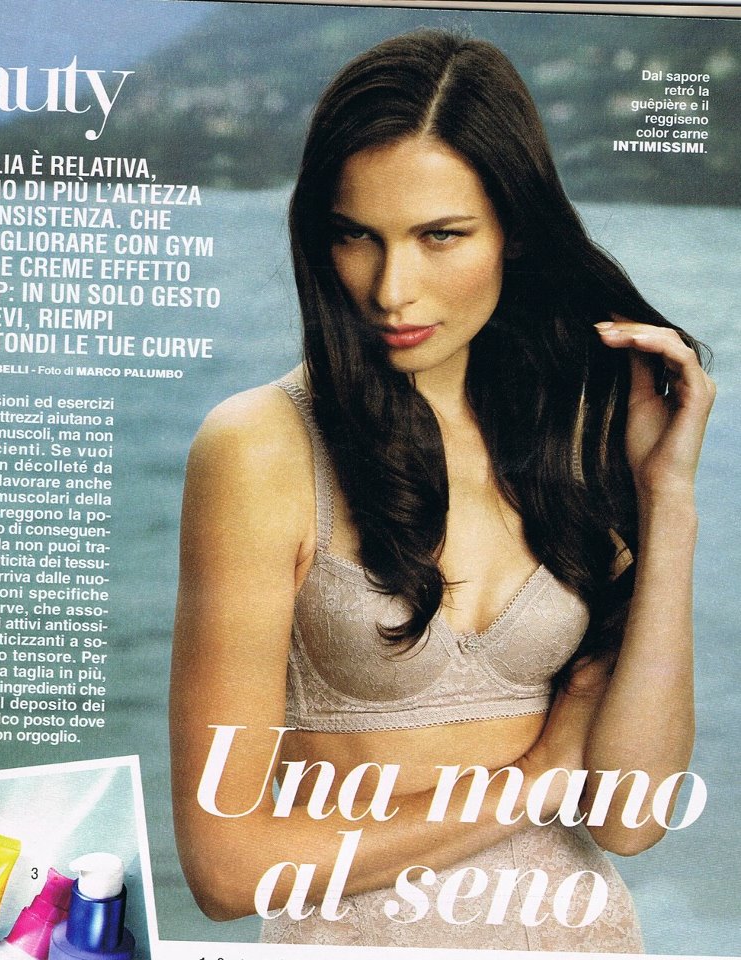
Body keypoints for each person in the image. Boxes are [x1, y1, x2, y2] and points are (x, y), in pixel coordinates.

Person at [169, 30, 715, 951]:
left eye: (440, 236)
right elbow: (226, 870)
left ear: (514, 232)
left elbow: (629, 820)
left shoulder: (570, 434)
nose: (392, 289)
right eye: (356, 235)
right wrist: (535, 780)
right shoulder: (259, 448)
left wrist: (667, 501)